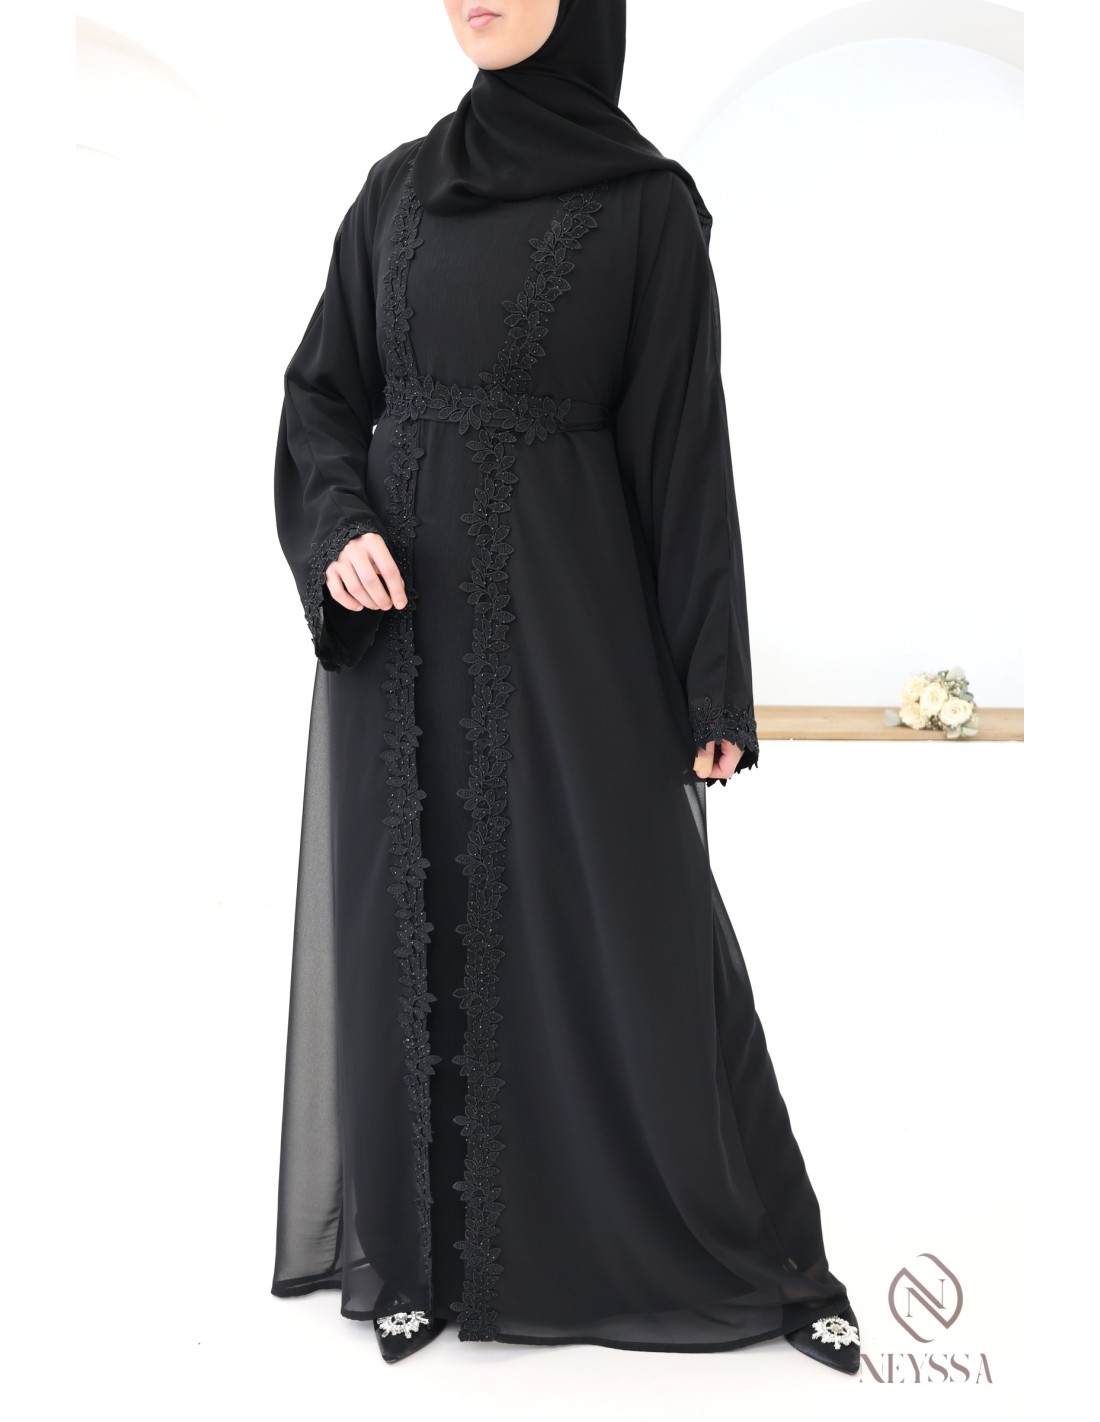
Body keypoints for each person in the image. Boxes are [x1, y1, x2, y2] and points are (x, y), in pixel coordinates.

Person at [271, 0, 860, 1371]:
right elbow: (320, 397)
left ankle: (751, 1248)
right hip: (401, 641)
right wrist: (337, 524)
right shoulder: (393, 192)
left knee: (641, 928)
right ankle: (417, 1254)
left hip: (572, 627)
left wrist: (712, 684)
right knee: (410, 914)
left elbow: (685, 453)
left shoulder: (649, 210)